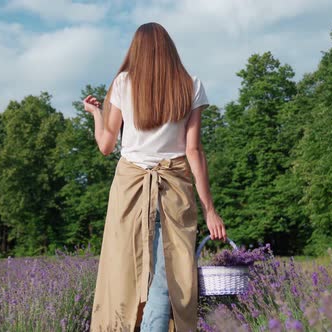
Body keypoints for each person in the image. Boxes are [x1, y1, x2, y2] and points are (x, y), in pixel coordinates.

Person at [85, 22, 227, 332]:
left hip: (129, 189)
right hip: (174, 188)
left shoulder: (123, 82)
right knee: (170, 276)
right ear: (169, 48)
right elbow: (194, 151)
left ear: (137, 50)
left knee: (125, 274)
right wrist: (209, 209)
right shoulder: (192, 85)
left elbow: (106, 146)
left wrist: (96, 114)